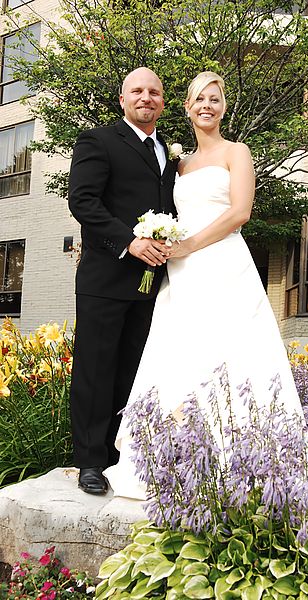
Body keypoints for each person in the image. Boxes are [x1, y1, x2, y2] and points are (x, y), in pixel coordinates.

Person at [104, 71, 306, 499]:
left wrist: (189, 244)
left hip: (222, 264)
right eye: (199, 99)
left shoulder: (238, 152)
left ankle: (245, 459)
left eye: (214, 99)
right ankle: (175, 457)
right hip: (181, 273)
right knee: (178, 350)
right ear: (188, 107)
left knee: (232, 352)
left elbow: (240, 214)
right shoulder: (178, 164)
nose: (206, 106)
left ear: (223, 107)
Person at [68, 67, 179, 495]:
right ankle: (90, 462)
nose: (146, 97)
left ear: (163, 102)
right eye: (138, 91)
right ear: (122, 99)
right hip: (106, 274)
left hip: (152, 282)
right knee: (96, 369)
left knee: (133, 368)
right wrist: (128, 242)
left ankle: (119, 455)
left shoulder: (167, 152)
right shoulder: (97, 140)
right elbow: (83, 201)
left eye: (154, 91)